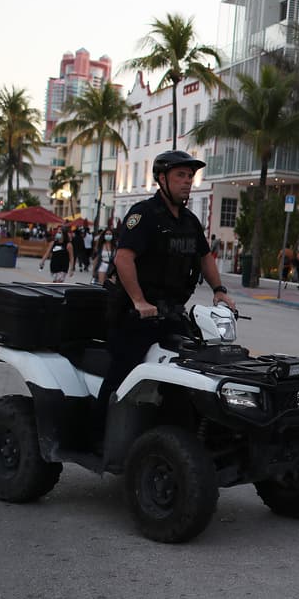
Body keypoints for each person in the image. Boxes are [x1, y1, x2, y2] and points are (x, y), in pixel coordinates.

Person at [96, 150, 235, 420]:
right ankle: (97, 433)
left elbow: (205, 257)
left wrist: (220, 291)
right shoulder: (143, 214)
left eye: (190, 176)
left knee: (195, 366)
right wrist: (138, 300)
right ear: (162, 178)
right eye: (180, 175)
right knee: (123, 373)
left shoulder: (190, 221)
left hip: (172, 313)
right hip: (135, 316)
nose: (187, 181)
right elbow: (124, 258)